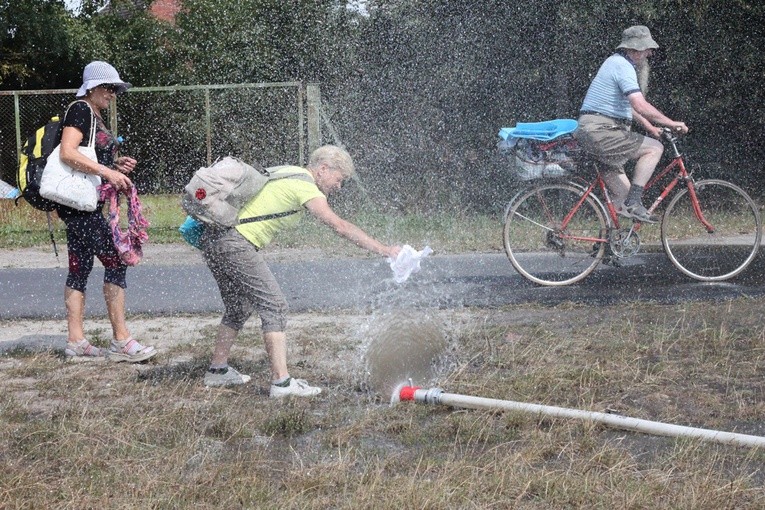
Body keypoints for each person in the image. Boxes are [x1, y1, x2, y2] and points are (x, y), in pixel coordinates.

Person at [201, 145, 400, 397]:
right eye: (338, 180)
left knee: (239, 307)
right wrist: (384, 249)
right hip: (235, 243)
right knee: (275, 307)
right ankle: (281, 384)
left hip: (215, 239)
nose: (338, 186)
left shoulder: (288, 171)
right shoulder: (305, 185)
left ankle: (217, 371)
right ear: (323, 169)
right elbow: (339, 225)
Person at [58, 61, 157, 363]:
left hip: (83, 205)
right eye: (108, 87)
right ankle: (121, 341)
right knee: (116, 260)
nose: (113, 93)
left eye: (115, 88)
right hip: (80, 207)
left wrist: (115, 166)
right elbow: (68, 152)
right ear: (93, 87)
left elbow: (89, 159)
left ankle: (76, 342)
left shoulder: (96, 115)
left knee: (80, 268)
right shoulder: (81, 109)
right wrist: (108, 172)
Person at [575, 25, 689, 223]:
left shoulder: (615, 63)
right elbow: (639, 104)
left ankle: (608, 246)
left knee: (623, 193)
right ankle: (634, 203)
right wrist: (671, 123)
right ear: (634, 50)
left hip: (595, 131)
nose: (650, 53)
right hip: (601, 131)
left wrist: (651, 128)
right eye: (647, 49)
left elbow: (632, 109)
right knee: (654, 149)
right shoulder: (622, 66)